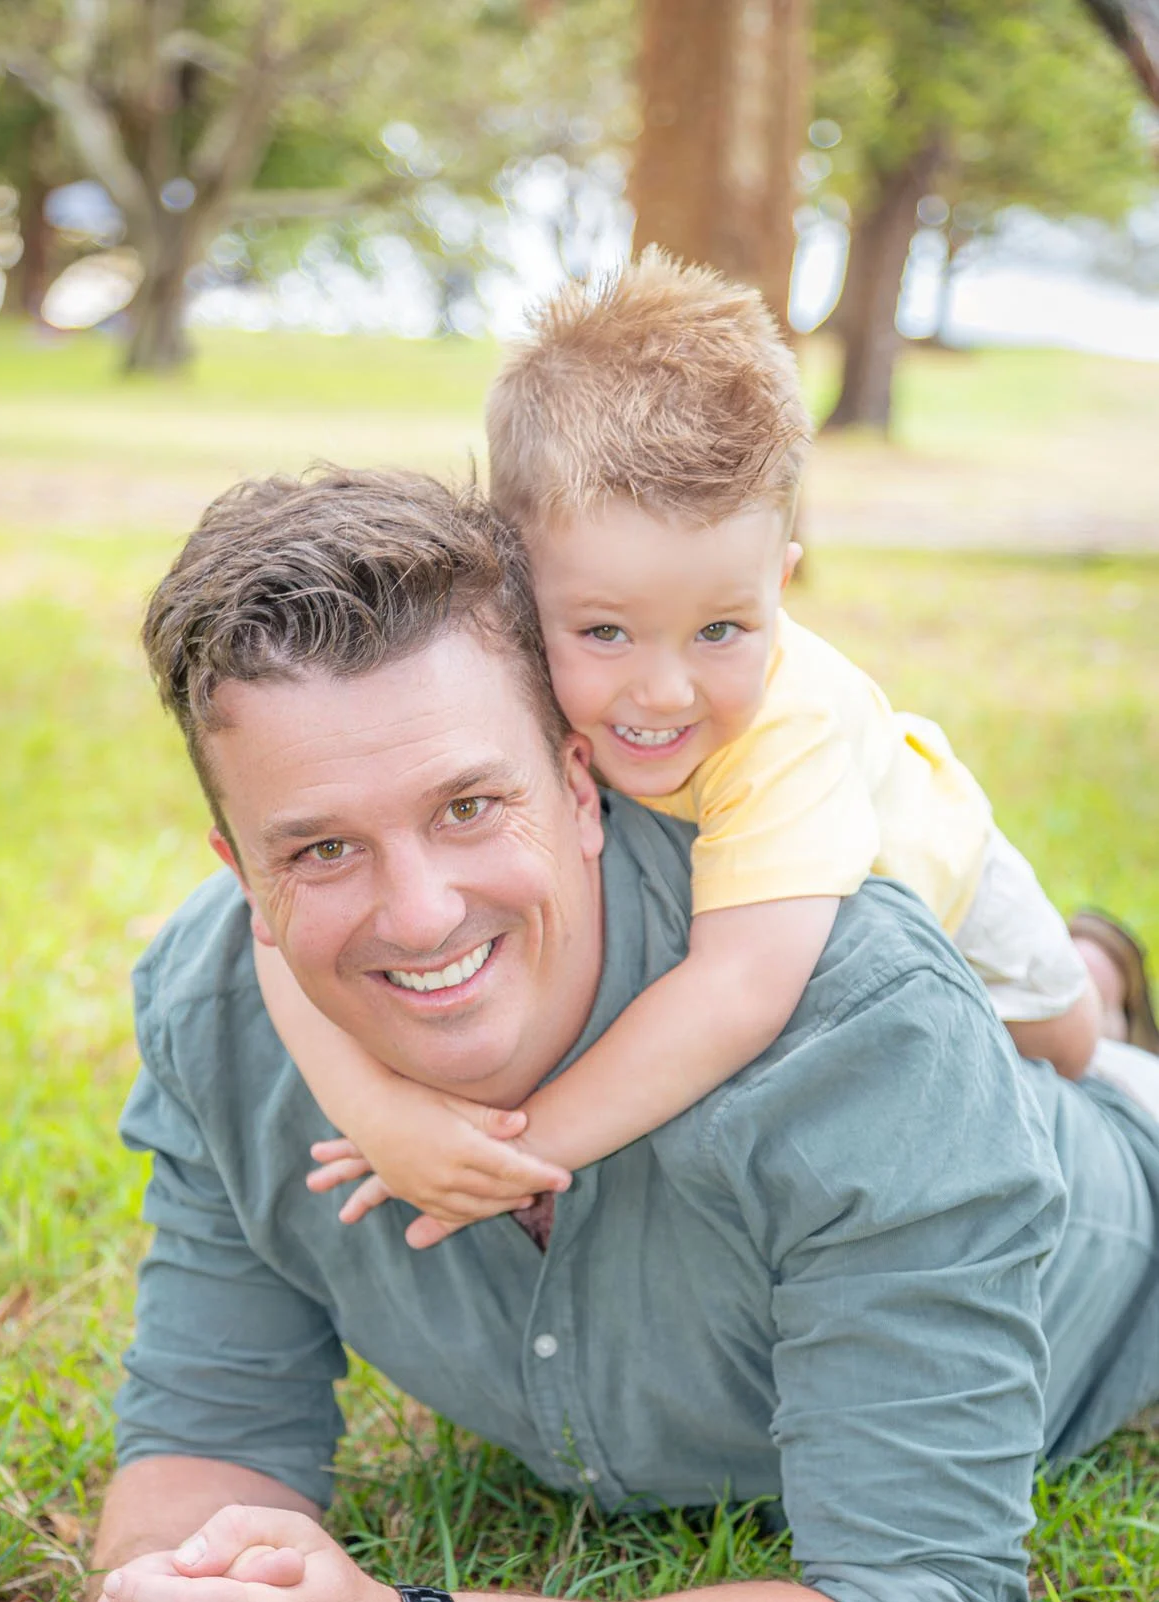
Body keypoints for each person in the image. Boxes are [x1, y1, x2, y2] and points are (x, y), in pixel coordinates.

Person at [57, 469, 1159, 1602]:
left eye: (471, 807)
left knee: (1090, 1076)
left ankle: (1087, 1002)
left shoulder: (860, 1022)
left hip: (1115, 1215)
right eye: (322, 852)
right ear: (241, 873)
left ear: (583, 787)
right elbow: (205, 1442)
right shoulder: (218, 1009)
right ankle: (1093, 973)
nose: (417, 914)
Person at [253, 254, 1142, 1251]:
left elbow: (734, 995)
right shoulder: (499, 673)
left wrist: (510, 1154)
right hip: (762, 893)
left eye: (721, 629)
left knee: (1058, 1054)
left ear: (781, 582)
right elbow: (268, 926)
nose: (664, 690)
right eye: (604, 633)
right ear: (515, 585)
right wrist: (378, 1114)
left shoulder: (785, 733)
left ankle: (1099, 985)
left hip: (947, 879)